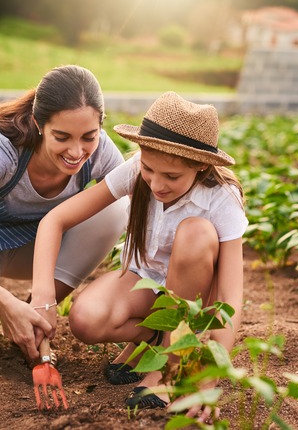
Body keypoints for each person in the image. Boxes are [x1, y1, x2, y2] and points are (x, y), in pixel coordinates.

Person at [32, 91, 247, 419]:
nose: (156, 184)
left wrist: (208, 379)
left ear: (202, 167)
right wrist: (44, 297)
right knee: (85, 319)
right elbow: (56, 219)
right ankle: (157, 338)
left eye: (172, 177)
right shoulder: (137, 170)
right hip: (147, 283)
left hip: (195, 303)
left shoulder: (222, 199)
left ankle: (173, 367)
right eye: (149, 169)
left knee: (194, 231)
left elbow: (230, 298)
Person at [0, 65, 128, 363]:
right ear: (38, 124)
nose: (76, 151)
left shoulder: (100, 151)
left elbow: (143, 211)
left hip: (38, 250)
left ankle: (36, 315)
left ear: (100, 125)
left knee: (117, 204)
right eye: (62, 137)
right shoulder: (3, 148)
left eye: (88, 136)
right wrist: (6, 304)